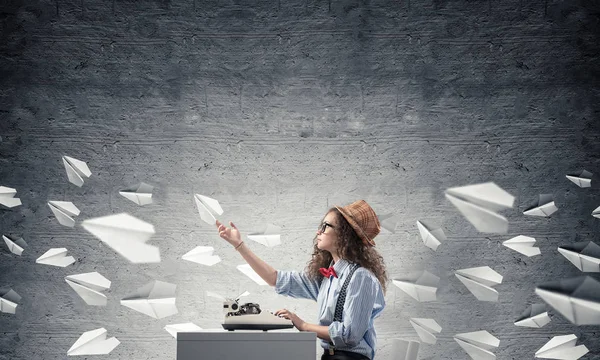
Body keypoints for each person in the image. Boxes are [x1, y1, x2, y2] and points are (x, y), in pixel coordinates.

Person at [216, 200, 387, 360]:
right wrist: (239, 245)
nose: (318, 231)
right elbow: (275, 278)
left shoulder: (361, 277)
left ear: (344, 234)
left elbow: (350, 335)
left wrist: (303, 325)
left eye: (325, 226)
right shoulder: (327, 278)